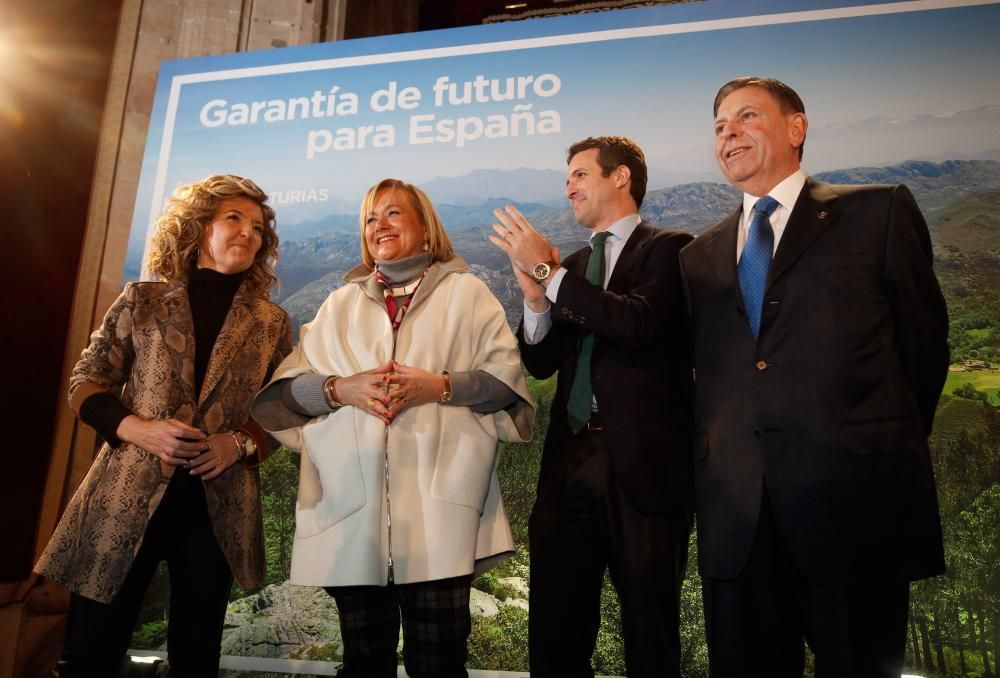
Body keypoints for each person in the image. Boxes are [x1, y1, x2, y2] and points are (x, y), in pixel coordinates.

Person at [678, 76, 950, 676]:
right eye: (720, 126)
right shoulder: (697, 256)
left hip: (855, 512)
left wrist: (870, 443)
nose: (729, 133)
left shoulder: (876, 211)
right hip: (737, 525)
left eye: (747, 116)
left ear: (797, 127)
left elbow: (923, 349)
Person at [250, 178, 533, 678]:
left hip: (441, 519)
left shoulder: (468, 295)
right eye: (370, 217)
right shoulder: (339, 305)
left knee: (439, 664)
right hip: (353, 518)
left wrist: (439, 386)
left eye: (394, 213)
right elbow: (285, 396)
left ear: (425, 227)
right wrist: (342, 389)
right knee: (363, 664)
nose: (380, 224)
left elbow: (506, 385)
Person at [35, 174, 292, 676]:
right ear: (199, 229)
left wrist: (237, 444)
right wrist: (137, 428)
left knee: (196, 658)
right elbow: (86, 383)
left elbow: (281, 410)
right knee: (91, 652)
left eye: (258, 227)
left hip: (217, 505)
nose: (248, 233)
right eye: (233, 218)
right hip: (124, 498)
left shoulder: (271, 322)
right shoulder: (142, 299)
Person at [488, 136, 694, 677]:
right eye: (568, 178)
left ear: (620, 177)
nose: (569, 187)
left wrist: (547, 276)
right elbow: (541, 362)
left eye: (580, 174)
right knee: (556, 628)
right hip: (569, 464)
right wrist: (535, 301)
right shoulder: (573, 265)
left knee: (649, 631)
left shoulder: (673, 248)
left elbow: (636, 323)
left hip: (644, 471)